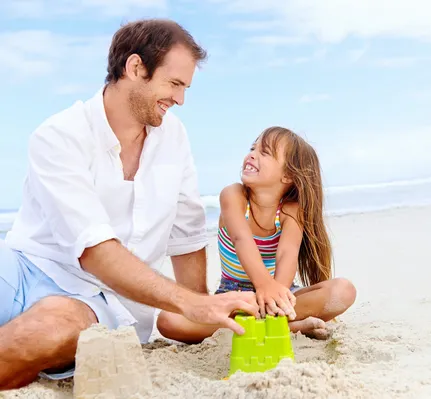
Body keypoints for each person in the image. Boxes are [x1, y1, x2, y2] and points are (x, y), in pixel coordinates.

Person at [0, 19, 259, 390]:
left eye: (185, 87)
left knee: (53, 329)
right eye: (174, 84)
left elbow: (185, 234)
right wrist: (190, 304)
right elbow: (95, 249)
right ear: (135, 68)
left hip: (101, 302)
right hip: (25, 266)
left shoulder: (174, 137)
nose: (180, 99)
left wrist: (200, 307)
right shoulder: (59, 135)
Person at [155, 126, 357, 344]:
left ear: (288, 174)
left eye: (265, 152)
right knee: (168, 320)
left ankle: (268, 323)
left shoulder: (291, 210)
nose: (252, 154)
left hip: (278, 293)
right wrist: (263, 286)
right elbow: (242, 240)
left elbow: (287, 255)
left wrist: (276, 297)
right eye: (253, 147)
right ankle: (285, 327)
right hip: (235, 297)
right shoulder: (233, 196)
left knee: (343, 291)